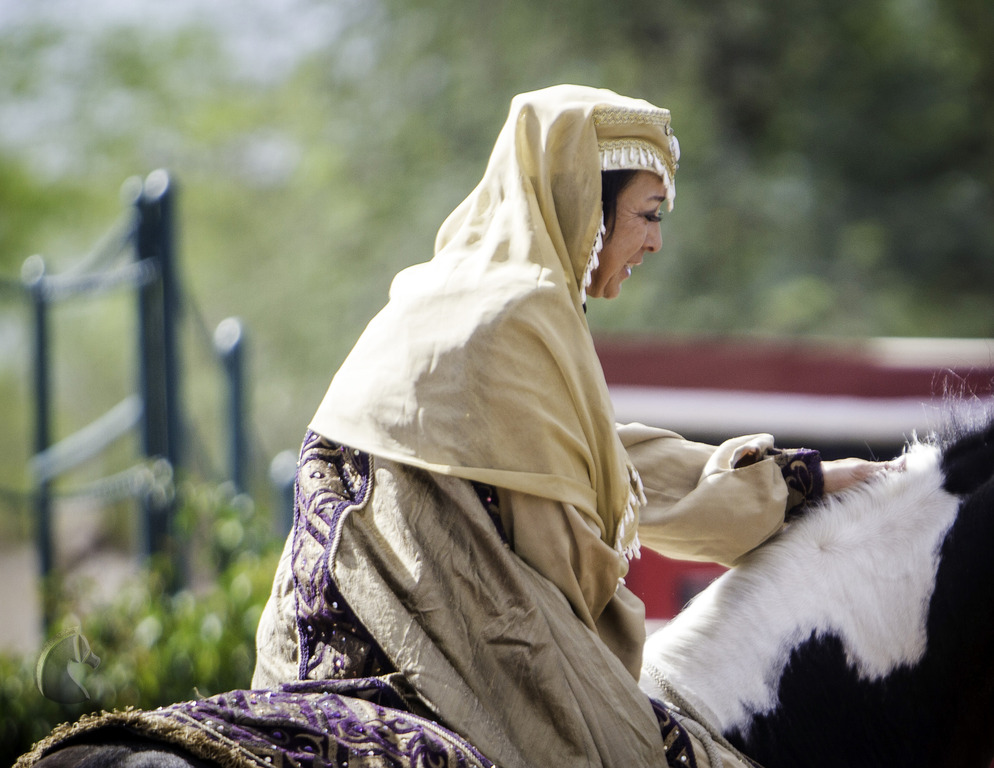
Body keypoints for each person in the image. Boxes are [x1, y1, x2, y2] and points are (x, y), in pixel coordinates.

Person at [17, 85, 893, 768]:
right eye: (650, 213)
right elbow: (566, 540)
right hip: (437, 667)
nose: (657, 241)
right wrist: (764, 503)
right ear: (584, 205)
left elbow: (587, 467)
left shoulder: (436, 294)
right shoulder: (527, 312)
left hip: (306, 657)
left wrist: (790, 483)